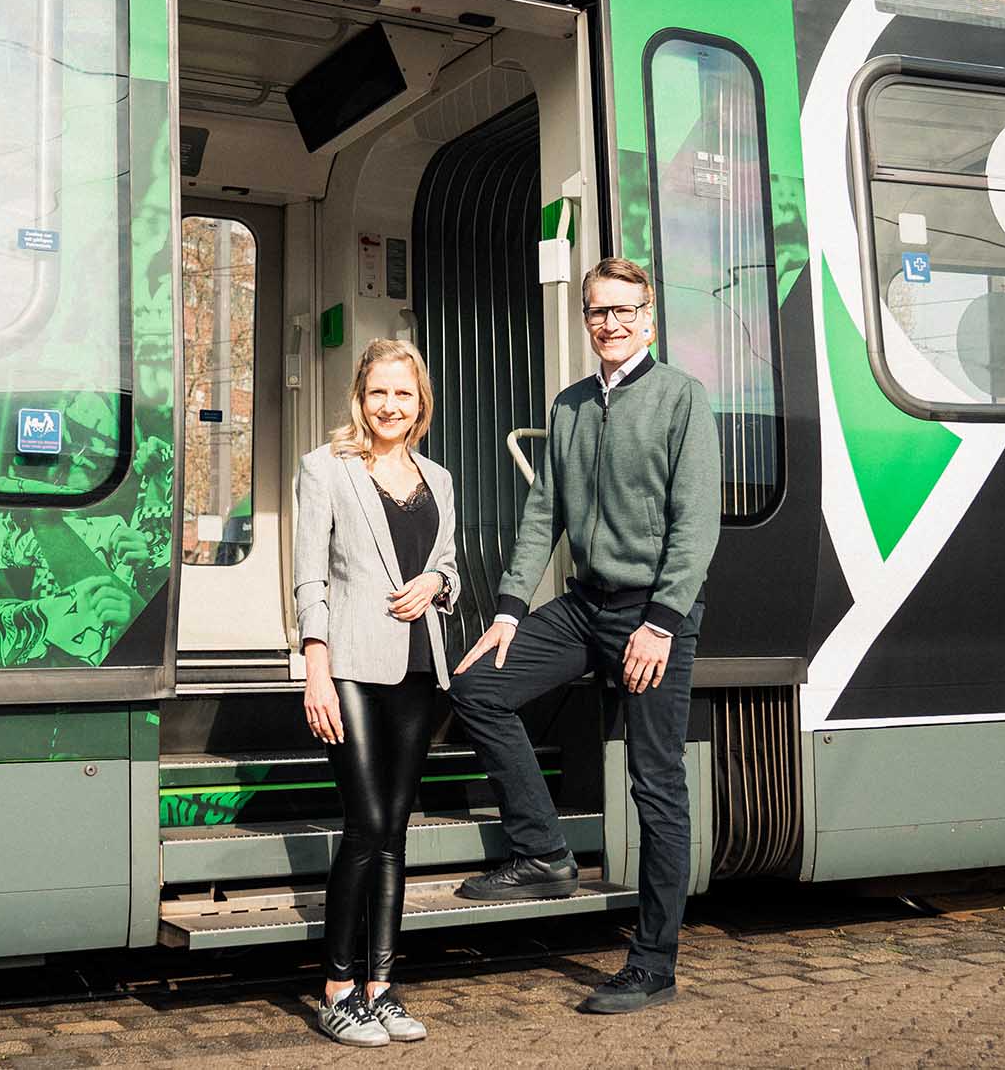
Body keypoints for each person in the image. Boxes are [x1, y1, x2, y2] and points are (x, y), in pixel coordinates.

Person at [450, 256, 721, 1015]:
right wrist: (506, 609)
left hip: (651, 614)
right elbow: (544, 514)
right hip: (583, 605)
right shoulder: (570, 405)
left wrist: (663, 622)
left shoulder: (681, 398)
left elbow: (696, 526)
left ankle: (654, 963)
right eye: (598, 311)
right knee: (478, 686)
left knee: (655, 781)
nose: (610, 322)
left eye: (624, 310)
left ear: (650, 317)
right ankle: (543, 851)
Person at [293, 339, 460, 1047]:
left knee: (394, 830)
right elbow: (308, 577)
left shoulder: (438, 477)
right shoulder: (325, 468)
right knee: (363, 823)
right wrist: (316, 666)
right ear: (360, 397)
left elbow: (448, 566)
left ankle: (382, 987)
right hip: (353, 666)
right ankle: (336, 989)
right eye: (378, 393)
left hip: (421, 668)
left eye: (404, 394)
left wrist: (437, 583)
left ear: (420, 403)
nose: (391, 406)